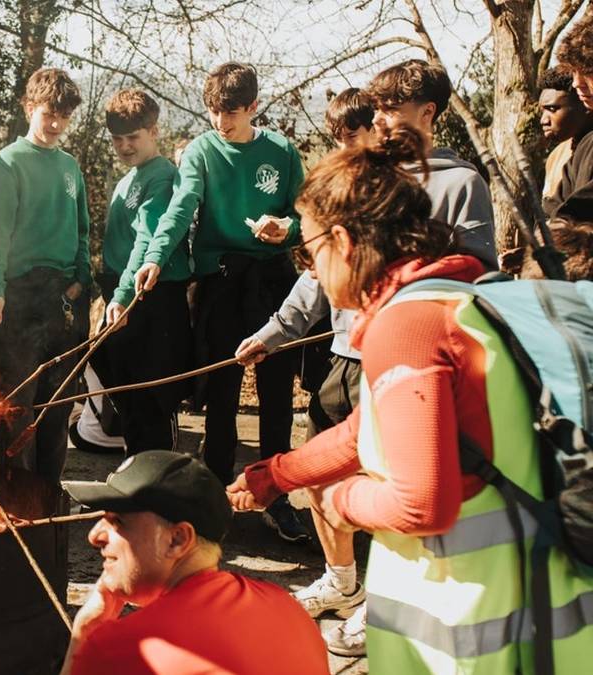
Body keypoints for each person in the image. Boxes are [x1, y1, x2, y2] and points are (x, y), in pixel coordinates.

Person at [227, 125, 593, 672]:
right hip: (533, 609)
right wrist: (278, 474)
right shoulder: (457, 300)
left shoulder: (407, 327)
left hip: (475, 633)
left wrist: (339, 502)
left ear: (344, 244)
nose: (313, 273)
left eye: (309, 255)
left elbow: (422, 502)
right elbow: (369, 428)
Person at [231, 88, 376, 654]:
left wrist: (273, 478)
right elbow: (310, 287)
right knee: (320, 481)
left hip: (375, 364)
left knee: (360, 485)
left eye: (355, 132)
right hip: (339, 359)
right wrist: (269, 337)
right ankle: (343, 585)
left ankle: (381, 605)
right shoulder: (329, 205)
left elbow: (417, 499)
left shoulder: (388, 204)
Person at [138, 61, 309, 542]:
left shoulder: (281, 151)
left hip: (273, 282)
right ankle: (213, 499)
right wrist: (155, 257)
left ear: (253, 107)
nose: (219, 121)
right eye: (213, 110)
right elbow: (181, 207)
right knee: (221, 397)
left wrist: (288, 230)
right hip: (220, 281)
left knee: (277, 397)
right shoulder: (201, 150)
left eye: (230, 112)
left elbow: (303, 212)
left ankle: (276, 498)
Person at [60, 451, 329, 675]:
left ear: (177, 539)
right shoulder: (286, 607)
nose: (94, 536)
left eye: (118, 521)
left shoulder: (123, 647)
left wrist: (85, 632)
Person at [0, 67, 92, 484]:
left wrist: (82, 278)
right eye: (48, 114)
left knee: (58, 405)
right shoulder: (7, 164)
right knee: (18, 407)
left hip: (63, 298)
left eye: (64, 116)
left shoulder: (69, 166)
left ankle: (48, 493)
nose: (56, 124)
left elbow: (82, 229)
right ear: (29, 107)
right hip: (18, 297)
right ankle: (17, 493)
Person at [92, 89, 189, 455]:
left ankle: (160, 494)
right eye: (118, 138)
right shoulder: (128, 180)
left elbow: (147, 242)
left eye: (133, 137)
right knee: (127, 402)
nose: (125, 146)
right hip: (123, 296)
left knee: (153, 406)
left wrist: (121, 297)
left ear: (154, 132)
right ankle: (138, 490)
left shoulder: (161, 177)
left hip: (150, 298)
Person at [366, 59, 497, 269]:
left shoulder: (462, 184)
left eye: (389, 109)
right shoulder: (367, 178)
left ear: (427, 112)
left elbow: (477, 272)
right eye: (376, 109)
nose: (376, 120)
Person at [547, 12, 593, 214]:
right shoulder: (587, 145)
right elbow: (554, 210)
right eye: (573, 72)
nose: (576, 83)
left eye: (586, 71)